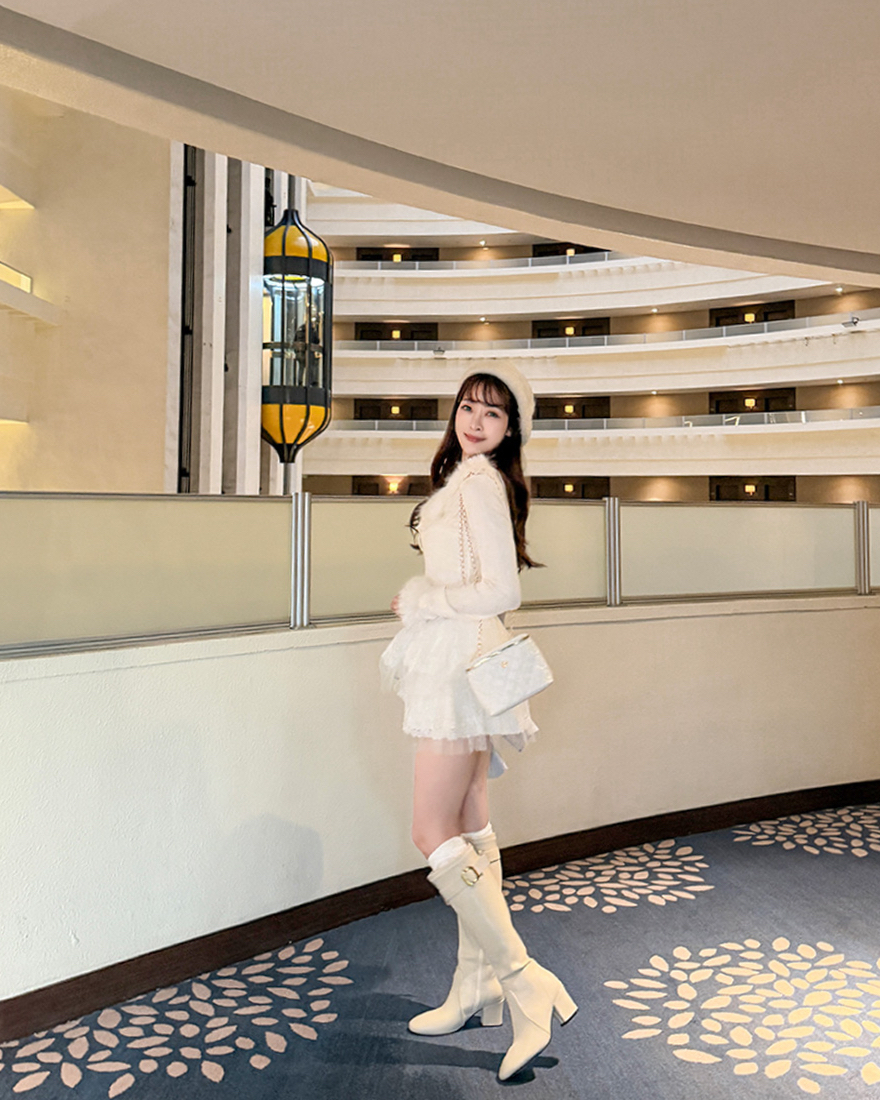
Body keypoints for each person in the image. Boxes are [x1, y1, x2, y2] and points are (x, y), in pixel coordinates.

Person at [381, 363, 577, 1081]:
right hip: (460, 659)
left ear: (510, 429)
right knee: (467, 821)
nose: (476, 421)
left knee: (429, 831)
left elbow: (502, 589)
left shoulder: (481, 484)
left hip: (457, 664)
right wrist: (428, 600)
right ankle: (474, 984)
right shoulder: (466, 480)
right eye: (469, 407)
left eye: (493, 414)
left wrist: (424, 601)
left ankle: (522, 980)